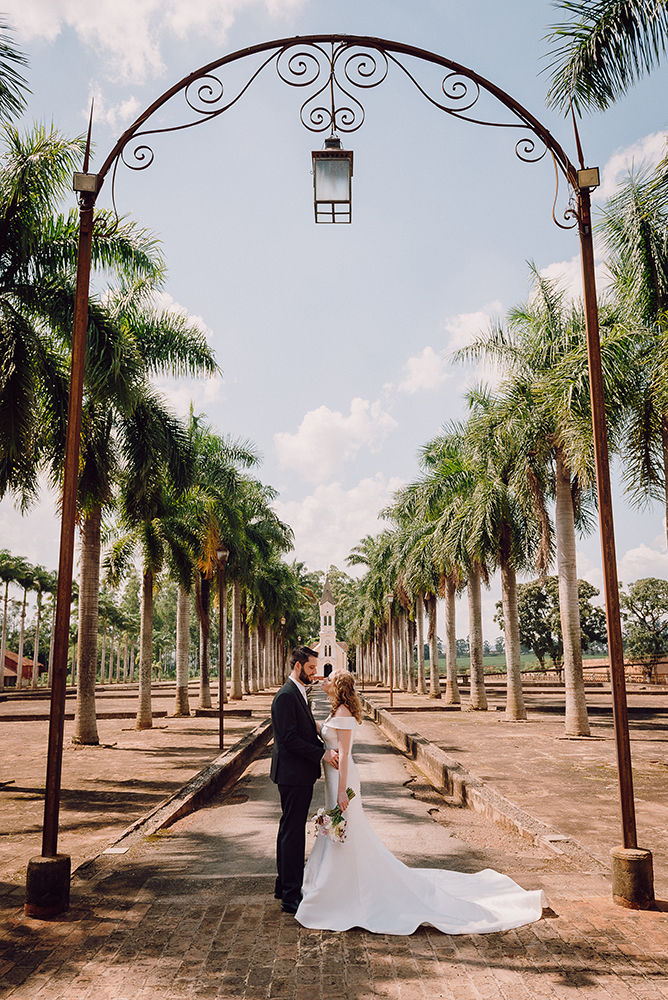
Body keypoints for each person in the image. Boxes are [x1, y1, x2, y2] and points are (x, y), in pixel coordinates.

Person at [296, 671, 546, 935]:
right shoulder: (336, 711)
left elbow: (345, 754)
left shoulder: (344, 713)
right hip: (332, 779)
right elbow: (323, 732)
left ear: (337, 687)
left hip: (342, 781)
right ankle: (330, 882)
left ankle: (338, 886)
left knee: (348, 831)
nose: (322, 680)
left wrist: (343, 792)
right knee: (342, 832)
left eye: (328, 679)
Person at [270, 645, 339, 914]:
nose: (314, 673)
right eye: (310, 668)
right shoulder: (286, 696)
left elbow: (303, 730)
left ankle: (282, 885)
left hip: (295, 773)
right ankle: (290, 896)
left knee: (288, 829)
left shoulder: (299, 692)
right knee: (293, 833)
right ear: (297, 666)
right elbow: (288, 739)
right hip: (292, 773)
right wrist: (321, 753)